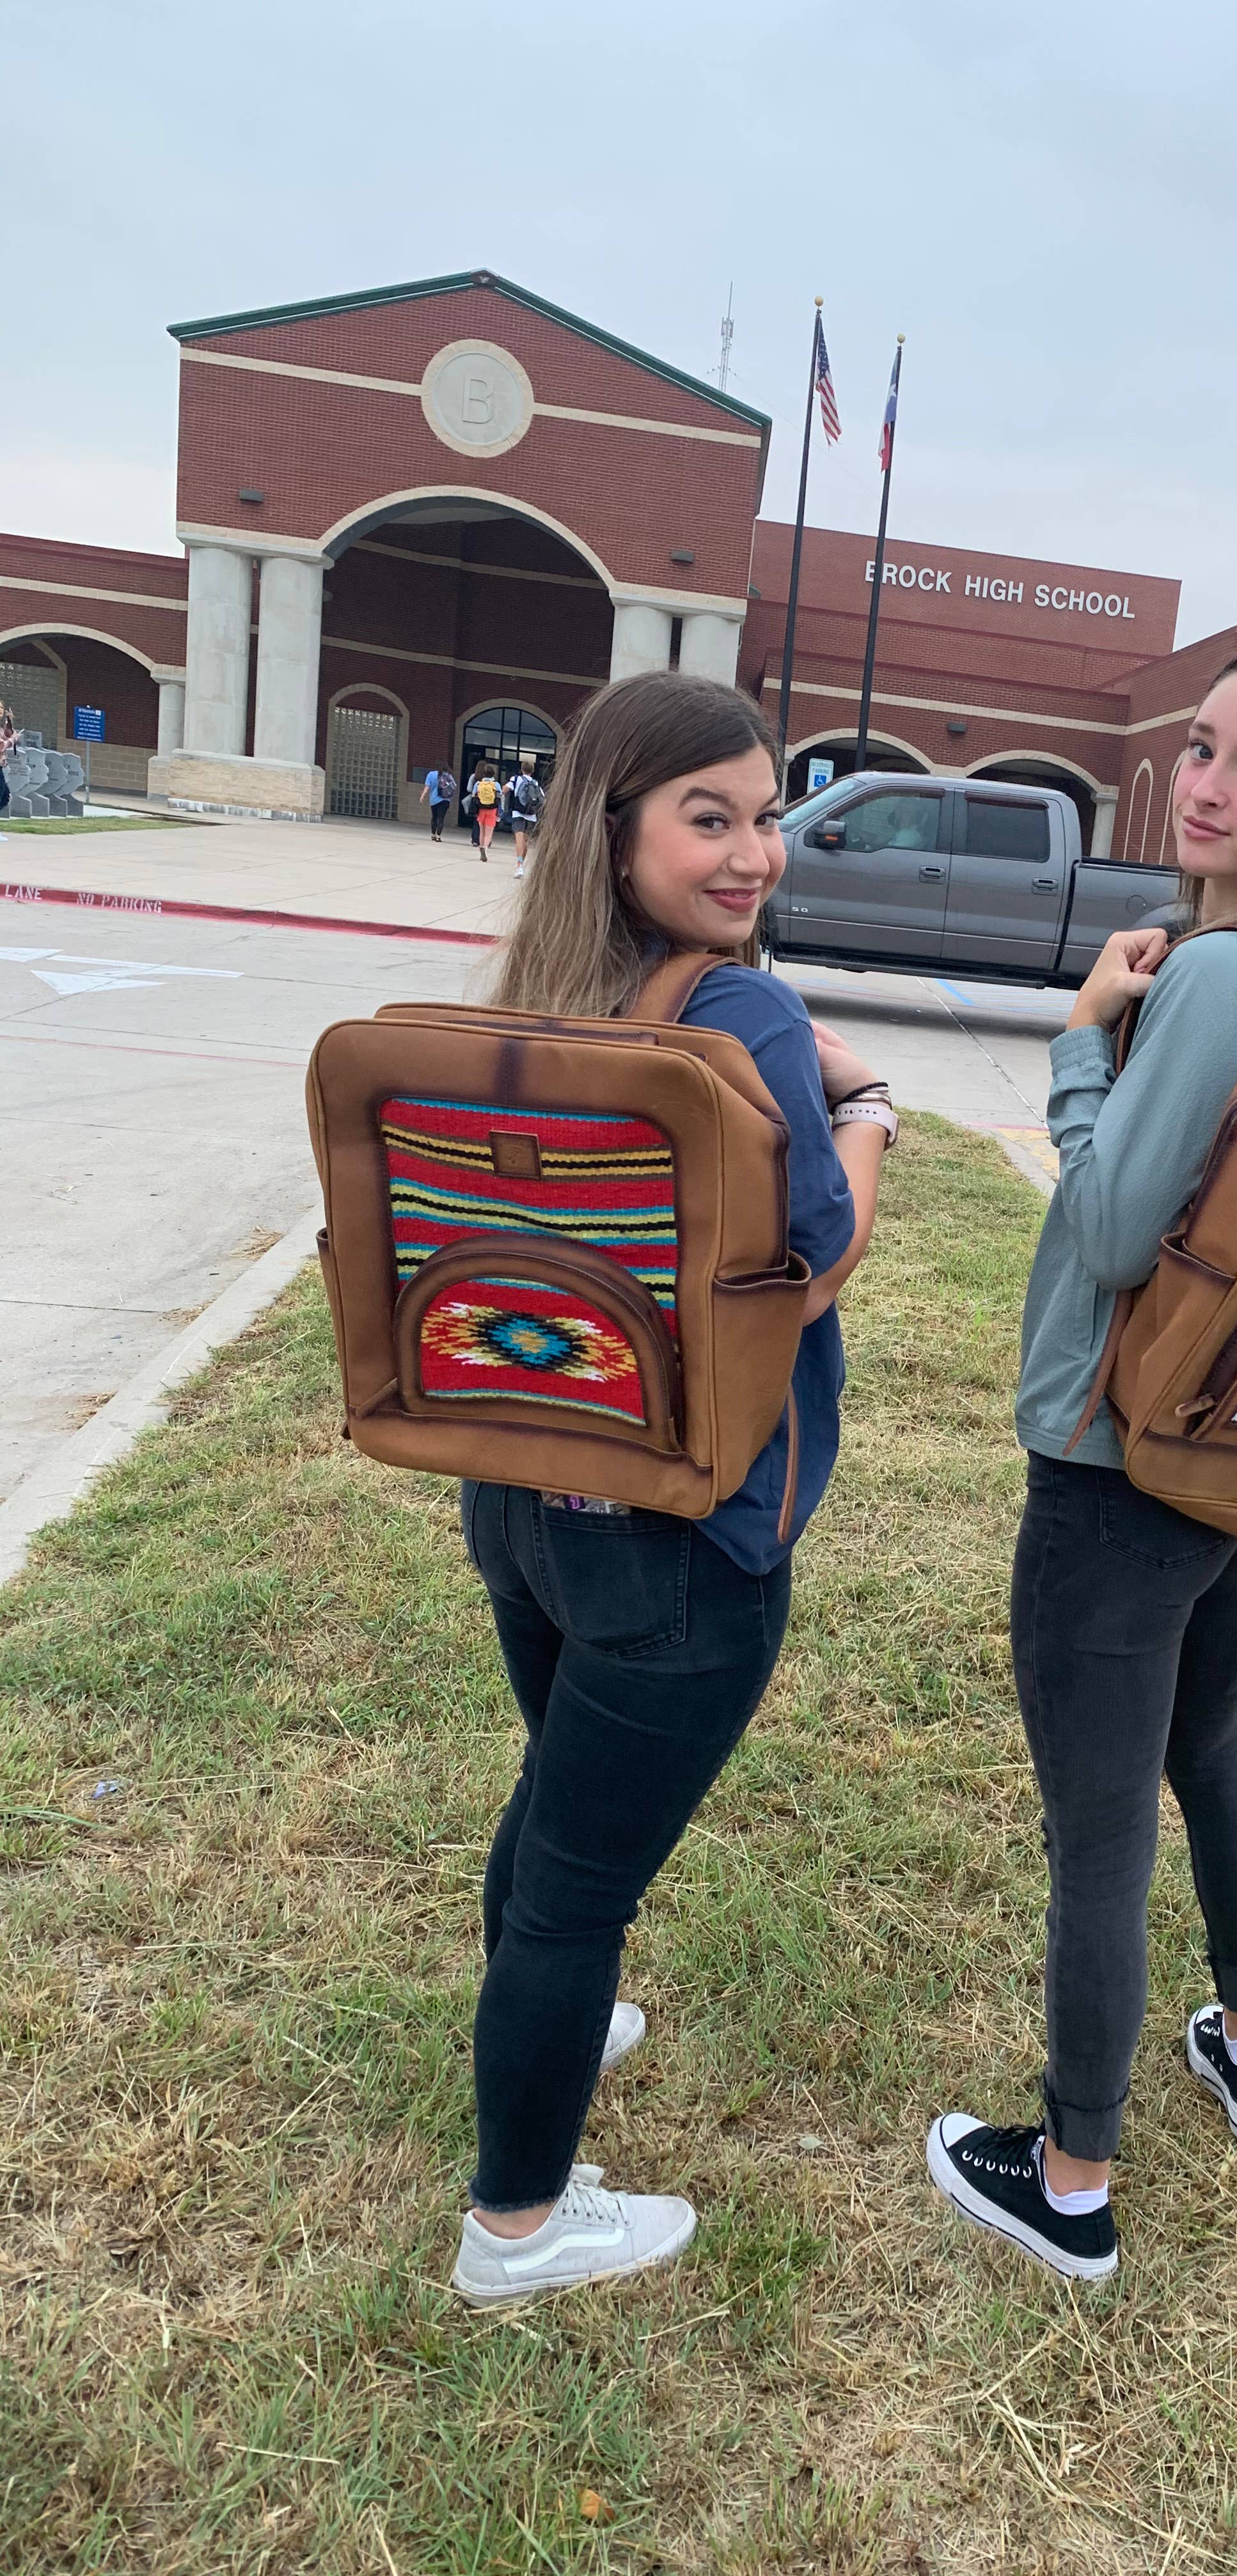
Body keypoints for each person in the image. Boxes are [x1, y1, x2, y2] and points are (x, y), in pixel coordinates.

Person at [926, 637, 1237, 2281]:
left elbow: (1119, 1226)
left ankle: (1069, 2182)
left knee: (1102, 1823)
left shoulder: (1215, 983)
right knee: (1209, 1741)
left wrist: (1082, 1044)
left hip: (1120, 1463)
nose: (1207, 784)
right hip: (1234, 1447)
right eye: (1203, 747)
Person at [449, 671, 895, 2307]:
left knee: (554, 1815)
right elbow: (814, 1259)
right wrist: (869, 1108)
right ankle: (516, 2226)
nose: (754, 853)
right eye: (711, 817)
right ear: (617, 824)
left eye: (768, 816)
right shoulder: (742, 1019)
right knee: (580, 1888)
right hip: (689, 1533)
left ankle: (544, 2024)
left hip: (525, 1491)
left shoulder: (540, 993)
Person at [507, 755, 545, 877]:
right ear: (532, 771)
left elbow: (505, 789)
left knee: (519, 840)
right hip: (531, 816)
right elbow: (543, 799)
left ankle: (519, 866)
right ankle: (520, 865)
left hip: (518, 813)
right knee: (525, 842)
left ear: (522, 769)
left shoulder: (516, 779)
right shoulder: (535, 783)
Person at [473, 762, 502, 862]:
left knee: (482, 831)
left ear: (484, 773)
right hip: (492, 810)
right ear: (494, 773)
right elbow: (500, 798)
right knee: (489, 833)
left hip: (481, 810)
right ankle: (485, 847)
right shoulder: (496, 785)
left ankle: (481, 846)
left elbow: (474, 796)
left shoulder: (478, 784)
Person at [419, 765, 456, 843]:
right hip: (445, 800)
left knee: (434, 817)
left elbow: (427, 786)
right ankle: (439, 836)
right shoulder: (448, 775)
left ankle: (433, 834)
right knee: (441, 818)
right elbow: (454, 786)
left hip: (434, 800)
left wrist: (423, 795)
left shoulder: (431, 774)